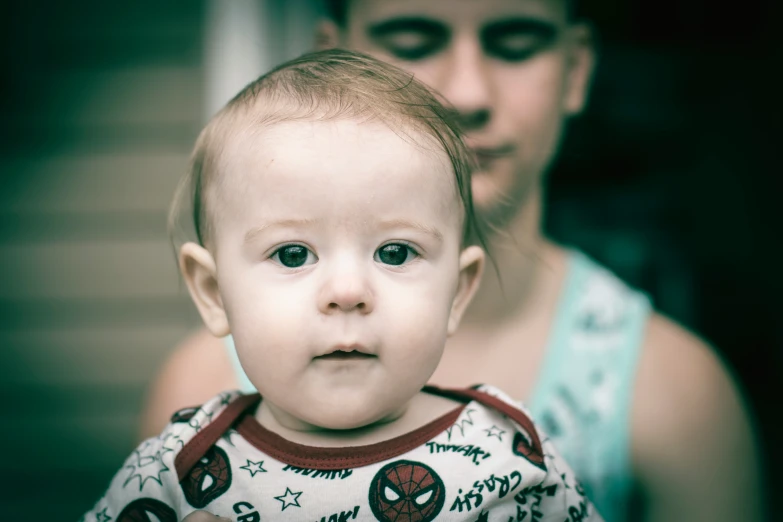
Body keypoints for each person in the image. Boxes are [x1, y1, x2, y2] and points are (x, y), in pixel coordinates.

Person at [140, 1, 764, 521]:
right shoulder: (194, 409)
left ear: (576, 69)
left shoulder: (678, 393)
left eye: (516, 43)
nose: (466, 94)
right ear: (333, 53)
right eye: (413, 39)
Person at [86, 49, 602, 521]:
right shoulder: (178, 468)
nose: (349, 290)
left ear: (458, 291)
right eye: (293, 254)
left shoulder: (509, 456)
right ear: (213, 292)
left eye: (395, 252)